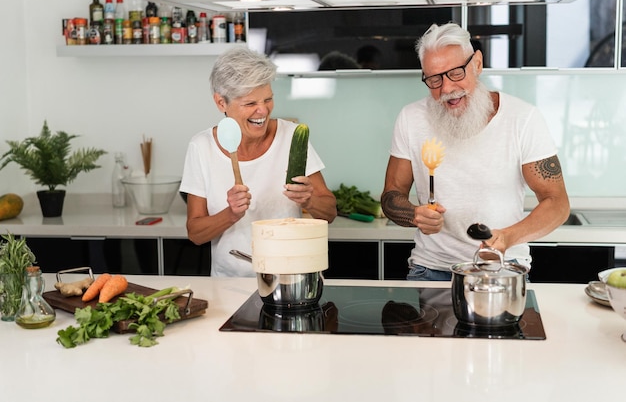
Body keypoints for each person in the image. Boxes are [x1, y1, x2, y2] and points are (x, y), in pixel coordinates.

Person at [381, 23, 570, 281]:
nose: (446, 89)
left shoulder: (523, 118)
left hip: (502, 269)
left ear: (477, 64)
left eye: (456, 73)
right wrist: (414, 215)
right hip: (430, 270)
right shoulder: (410, 118)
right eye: (434, 79)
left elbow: (557, 203)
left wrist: (507, 237)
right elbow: (392, 196)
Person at [180, 47, 337, 277]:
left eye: (268, 99)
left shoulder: (292, 136)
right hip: (230, 285)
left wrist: (309, 200)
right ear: (221, 102)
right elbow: (195, 233)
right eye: (250, 103)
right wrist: (230, 214)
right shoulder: (201, 147)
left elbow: (330, 212)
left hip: (292, 278)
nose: (262, 110)